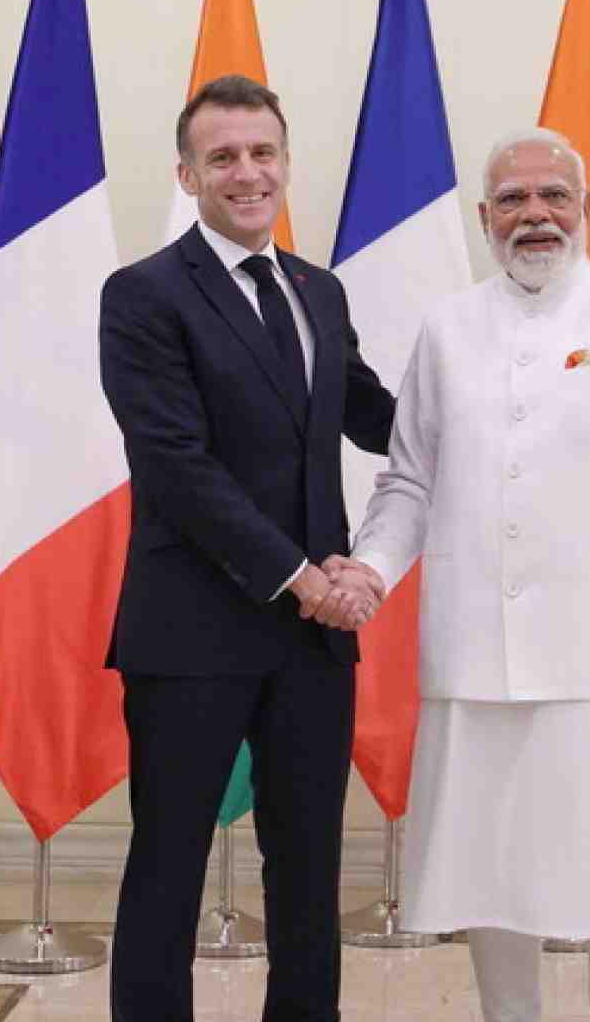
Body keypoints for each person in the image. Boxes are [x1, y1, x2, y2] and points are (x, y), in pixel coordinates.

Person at [338, 127, 590, 1022]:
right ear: (484, 218)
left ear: (586, 209)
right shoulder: (448, 328)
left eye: (554, 196)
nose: (535, 215)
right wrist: (368, 572)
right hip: (476, 660)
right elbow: (409, 481)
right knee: (489, 876)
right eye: (514, 200)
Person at [98, 74, 393, 1022]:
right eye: (222, 156)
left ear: (286, 164)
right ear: (187, 175)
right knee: (169, 864)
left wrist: (509, 412)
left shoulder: (318, 290)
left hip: (313, 642)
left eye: (263, 152)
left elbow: (374, 415)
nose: (247, 172)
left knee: (308, 865)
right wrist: (302, 578)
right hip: (192, 631)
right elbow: (176, 468)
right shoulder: (142, 294)